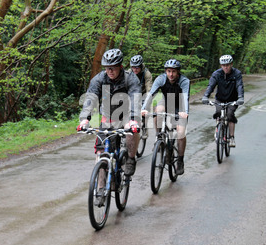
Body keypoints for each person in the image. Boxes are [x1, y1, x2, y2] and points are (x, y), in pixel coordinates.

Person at [77, 48, 141, 178]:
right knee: (101, 153)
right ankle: (100, 191)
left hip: (127, 115)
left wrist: (133, 119)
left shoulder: (130, 79)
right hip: (109, 116)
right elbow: (91, 98)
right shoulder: (99, 79)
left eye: (113, 68)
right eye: (107, 68)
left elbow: (135, 99)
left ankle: (130, 158)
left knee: (131, 133)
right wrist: (85, 119)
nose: (110, 71)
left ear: (120, 66)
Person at [141, 59, 190, 175]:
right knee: (158, 110)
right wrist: (143, 108)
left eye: (173, 71)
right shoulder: (161, 79)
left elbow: (185, 97)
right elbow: (151, 94)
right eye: (168, 71)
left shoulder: (184, 81)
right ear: (165, 71)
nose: (171, 74)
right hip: (166, 102)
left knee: (180, 132)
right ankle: (159, 137)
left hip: (180, 106)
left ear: (178, 72)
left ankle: (180, 161)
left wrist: (185, 112)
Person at [202, 54, 244, 147]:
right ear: (221, 66)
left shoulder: (237, 73)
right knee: (218, 112)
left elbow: (239, 86)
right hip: (220, 99)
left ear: (231, 64)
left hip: (232, 99)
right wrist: (206, 96)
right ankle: (218, 129)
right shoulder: (216, 74)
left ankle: (232, 137)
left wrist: (240, 97)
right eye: (224, 65)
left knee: (230, 115)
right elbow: (211, 86)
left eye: (228, 65)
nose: (226, 67)